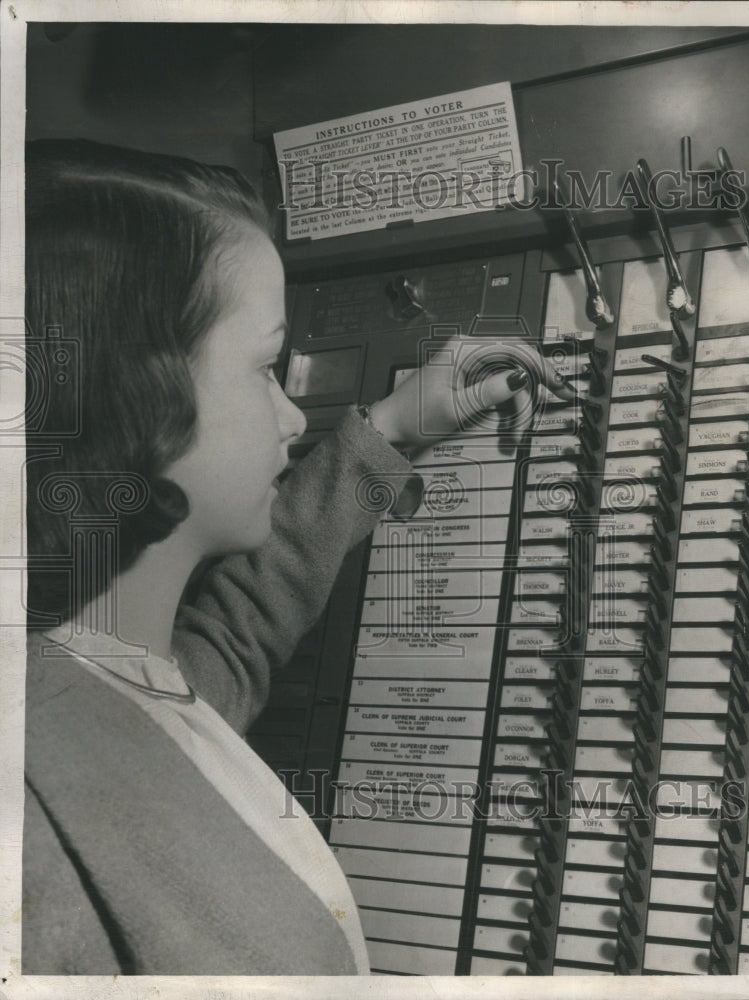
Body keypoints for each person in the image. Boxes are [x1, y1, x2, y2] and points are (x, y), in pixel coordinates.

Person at [22, 139, 574, 975]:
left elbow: (230, 643)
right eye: (265, 368)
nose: (290, 416)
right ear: (140, 395)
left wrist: (390, 433)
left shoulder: (105, 680)